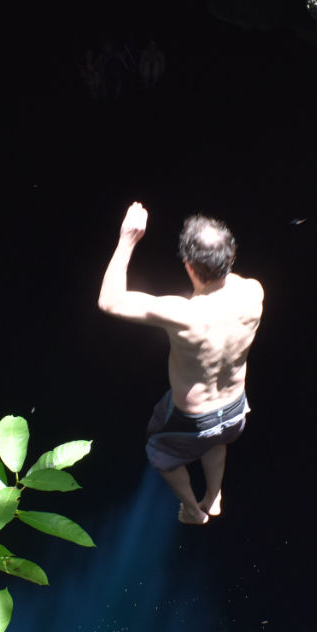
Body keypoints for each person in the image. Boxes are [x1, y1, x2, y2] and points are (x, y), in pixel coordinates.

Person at [98, 201, 264, 525]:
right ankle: (214, 496)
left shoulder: (184, 315)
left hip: (191, 423)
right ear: (232, 256)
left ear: (188, 265)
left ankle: (192, 509)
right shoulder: (254, 291)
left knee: (160, 455)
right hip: (235, 412)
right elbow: (224, 283)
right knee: (218, 441)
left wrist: (127, 240)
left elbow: (109, 301)